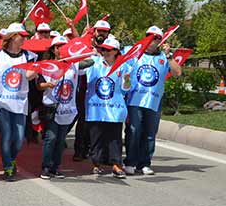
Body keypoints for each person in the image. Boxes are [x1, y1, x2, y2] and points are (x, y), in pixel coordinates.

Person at [124, 26, 182, 175]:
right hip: (134, 100)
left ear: (160, 41)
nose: (152, 40)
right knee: (134, 131)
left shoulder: (164, 57)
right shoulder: (134, 52)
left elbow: (177, 73)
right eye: (149, 36)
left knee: (150, 133)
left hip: (154, 102)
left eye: (156, 38)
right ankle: (130, 162)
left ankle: (144, 163)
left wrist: (169, 56)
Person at [36, 36, 93, 179]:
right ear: (53, 50)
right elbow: (39, 85)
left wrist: (83, 49)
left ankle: (56, 167)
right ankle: (46, 167)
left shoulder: (74, 65)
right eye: (57, 47)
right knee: (51, 138)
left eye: (63, 46)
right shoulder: (48, 65)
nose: (60, 50)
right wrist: (48, 85)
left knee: (61, 140)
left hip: (68, 108)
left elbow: (90, 61)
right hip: (52, 107)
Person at [0, 22, 38, 181]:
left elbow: (30, 75)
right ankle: (8, 167)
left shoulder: (29, 56)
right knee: (6, 134)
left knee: (18, 138)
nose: (24, 39)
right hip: (1, 102)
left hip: (20, 102)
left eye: (25, 36)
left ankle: (11, 158)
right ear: (12, 37)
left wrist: (36, 70)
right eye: (21, 36)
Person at [85, 35, 131, 178]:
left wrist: (127, 80)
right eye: (104, 49)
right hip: (96, 108)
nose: (106, 52)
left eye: (110, 50)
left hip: (114, 108)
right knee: (96, 137)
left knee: (115, 138)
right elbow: (81, 70)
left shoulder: (124, 67)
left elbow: (126, 89)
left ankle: (116, 165)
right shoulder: (94, 62)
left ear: (116, 51)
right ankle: (96, 164)